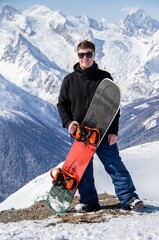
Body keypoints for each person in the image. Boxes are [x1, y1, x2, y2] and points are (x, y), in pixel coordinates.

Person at [57, 40, 143, 212]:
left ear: (94, 55)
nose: (85, 58)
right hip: (80, 134)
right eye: (81, 55)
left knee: (114, 165)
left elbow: (114, 108)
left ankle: (129, 198)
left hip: (102, 132)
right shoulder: (69, 80)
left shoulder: (104, 78)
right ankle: (89, 202)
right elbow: (62, 104)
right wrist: (68, 123)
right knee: (84, 171)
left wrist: (113, 131)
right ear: (77, 56)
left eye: (88, 54)